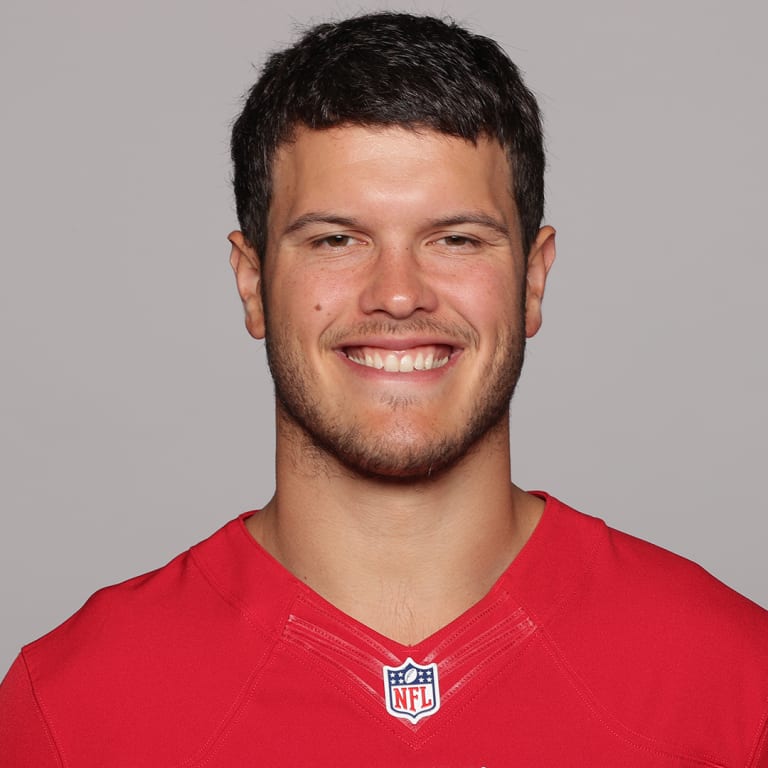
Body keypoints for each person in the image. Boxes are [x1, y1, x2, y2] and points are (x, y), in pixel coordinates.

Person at [1, 11, 766, 766]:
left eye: (455, 239)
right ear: (252, 283)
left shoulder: (735, 681)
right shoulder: (72, 705)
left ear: (533, 279)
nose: (398, 295)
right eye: (336, 239)